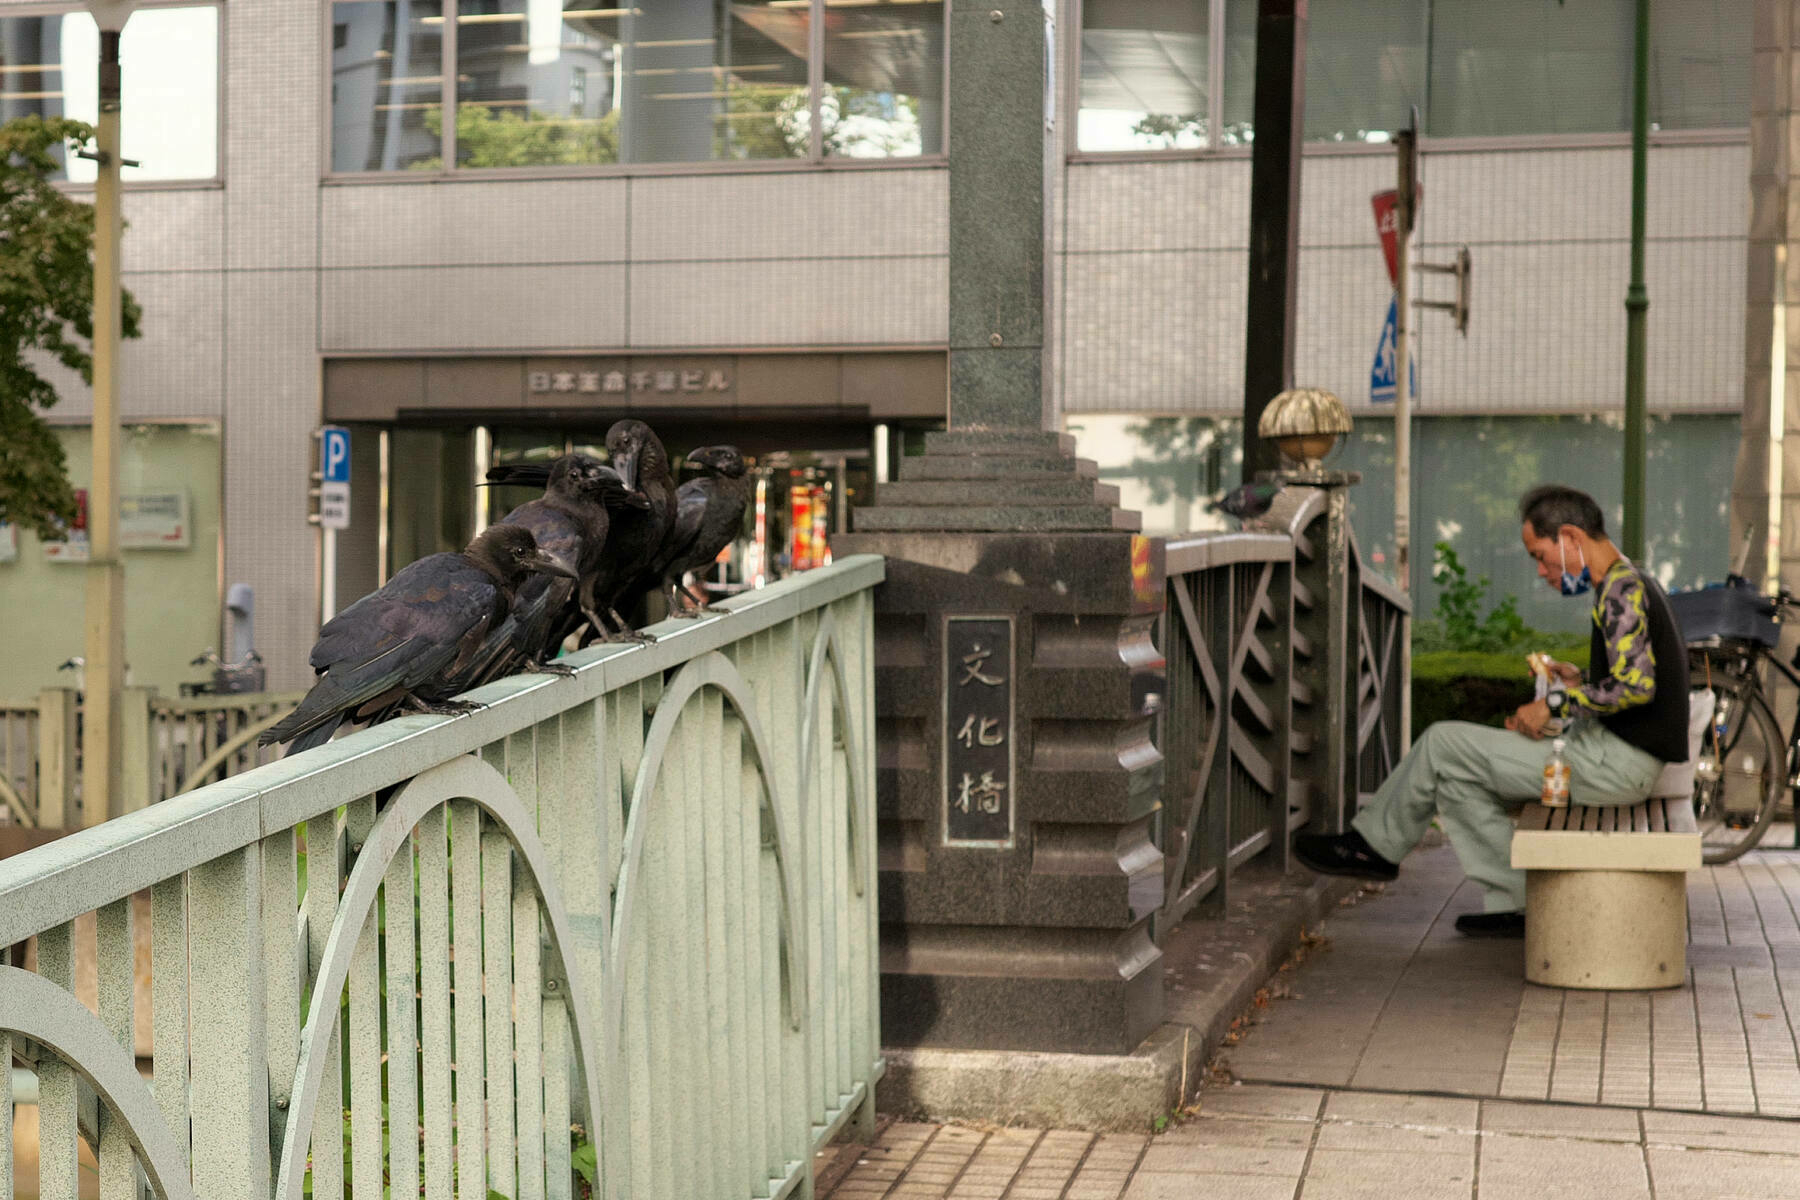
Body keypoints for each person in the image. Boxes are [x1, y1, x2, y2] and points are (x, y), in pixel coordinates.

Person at [1293, 484, 1690, 937]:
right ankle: (1522, 904)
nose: (1541, 571)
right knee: (1456, 775)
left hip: (1618, 765)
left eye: (1541, 556)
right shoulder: (1629, 580)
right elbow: (1633, 678)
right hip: (1617, 756)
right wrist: (1578, 680)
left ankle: (1372, 848)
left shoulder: (1619, 589)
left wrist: (1553, 703)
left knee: (1442, 741)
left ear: (1570, 537)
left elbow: (1637, 687)